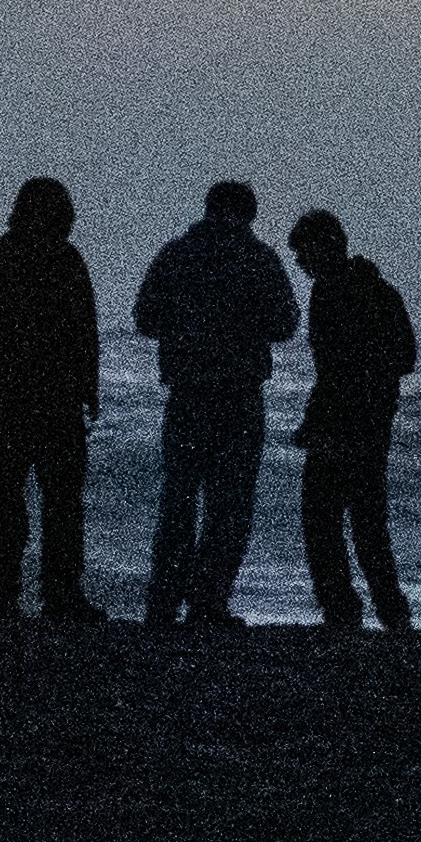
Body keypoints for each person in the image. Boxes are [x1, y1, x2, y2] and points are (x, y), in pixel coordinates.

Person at [128, 179, 298, 625]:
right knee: (229, 505)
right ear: (249, 214)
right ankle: (208, 602)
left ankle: (164, 601)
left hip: (188, 393)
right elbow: (285, 323)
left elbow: (145, 317)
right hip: (237, 396)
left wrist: (187, 328)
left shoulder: (178, 255)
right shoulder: (258, 259)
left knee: (180, 499)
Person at [0, 176, 103, 619]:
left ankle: (5, 590)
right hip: (53, 397)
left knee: (8, 497)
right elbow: (85, 331)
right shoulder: (66, 261)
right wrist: (89, 387)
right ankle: (58, 592)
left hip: (13, 396)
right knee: (60, 501)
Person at [285, 207, 416, 631]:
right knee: (366, 522)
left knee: (325, 519)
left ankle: (344, 608)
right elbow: (405, 357)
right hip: (370, 422)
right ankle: (388, 610)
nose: (302, 264)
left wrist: (323, 415)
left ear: (325, 246)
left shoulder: (333, 294)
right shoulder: (376, 290)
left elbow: (336, 370)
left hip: (345, 422)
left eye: (304, 253)